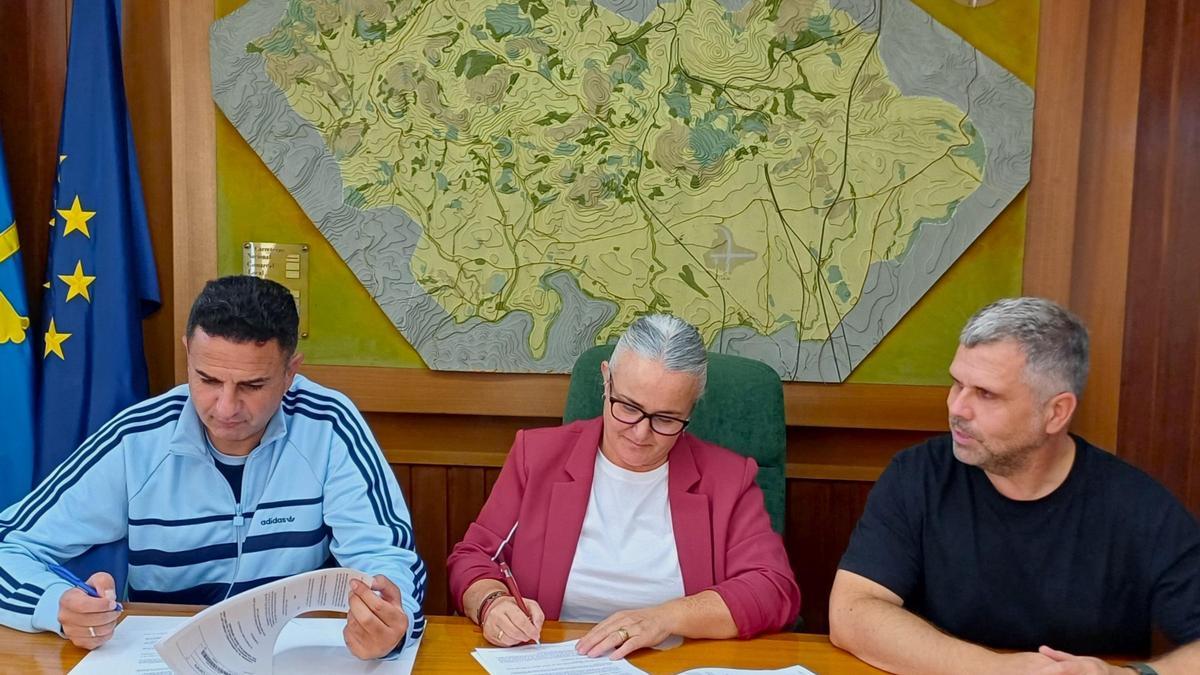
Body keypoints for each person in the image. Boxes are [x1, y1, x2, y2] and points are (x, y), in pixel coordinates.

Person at [0, 275, 426, 659]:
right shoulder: (138, 440)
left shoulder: (328, 425)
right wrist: (55, 605)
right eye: (207, 379)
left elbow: (386, 556)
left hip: (289, 655)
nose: (225, 408)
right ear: (188, 354)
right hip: (164, 659)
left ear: (290, 371)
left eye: (252, 385)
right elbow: (9, 546)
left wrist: (388, 623)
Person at [829, 297, 1200, 674]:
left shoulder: (1136, 506)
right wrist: (997, 671)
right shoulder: (918, 475)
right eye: (957, 384)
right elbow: (852, 611)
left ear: (1056, 412)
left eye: (986, 394)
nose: (957, 408)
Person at [447, 314, 800, 658]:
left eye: (665, 418)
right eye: (628, 407)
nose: (640, 432)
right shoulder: (538, 457)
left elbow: (773, 589)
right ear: (606, 381)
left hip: (673, 663)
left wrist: (664, 617)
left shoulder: (727, 479)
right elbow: (474, 558)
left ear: (691, 409)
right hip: (557, 659)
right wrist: (492, 602)